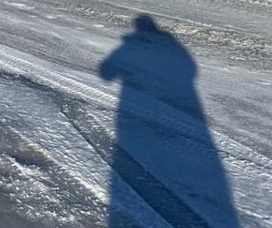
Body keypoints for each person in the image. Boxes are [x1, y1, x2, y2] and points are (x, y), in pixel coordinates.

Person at [98, 15, 238, 227]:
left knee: (143, 144)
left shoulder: (130, 46)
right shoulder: (169, 44)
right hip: (170, 96)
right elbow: (190, 69)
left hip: (141, 99)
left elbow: (106, 72)